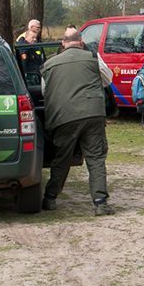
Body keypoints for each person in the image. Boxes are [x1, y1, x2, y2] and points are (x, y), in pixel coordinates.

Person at [40, 28, 116, 216]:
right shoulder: (92, 58)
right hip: (92, 113)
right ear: (81, 42)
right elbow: (108, 79)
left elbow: (44, 92)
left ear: (63, 43)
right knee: (96, 158)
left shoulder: (49, 65)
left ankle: (50, 197)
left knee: (62, 159)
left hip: (63, 116)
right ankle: (100, 203)